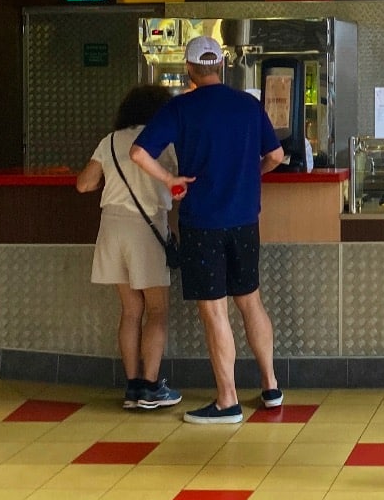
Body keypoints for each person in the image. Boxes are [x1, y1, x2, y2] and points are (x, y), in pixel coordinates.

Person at [131, 35, 287, 424]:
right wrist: (252, 173)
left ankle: (227, 401)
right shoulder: (248, 105)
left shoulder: (180, 108)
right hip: (245, 220)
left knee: (215, 312)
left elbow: (138, 152)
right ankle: (270, 387)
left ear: (189, 69)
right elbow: (277, 156)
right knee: (251, 301)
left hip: (202, 223)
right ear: (221, 66)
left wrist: (169, 179)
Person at [74, 84, 183, 411]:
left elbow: (84, 184)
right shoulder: (163, 140)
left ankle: (133, 386)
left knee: (131, 310)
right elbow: (182, 180)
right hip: (145, 228)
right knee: (158, 310)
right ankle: (151, 388)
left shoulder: (109, 141)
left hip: (111, 229)